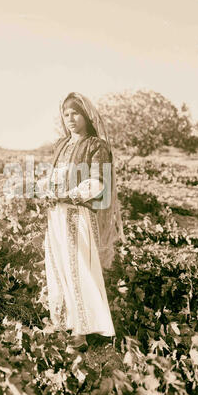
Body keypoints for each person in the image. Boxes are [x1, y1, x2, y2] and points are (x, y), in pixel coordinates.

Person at [36, 92, 125, 349]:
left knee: (79, 269)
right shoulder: (61, 145)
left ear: (86, 115)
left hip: (78, 215)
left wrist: (68, 195)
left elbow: (97, 183)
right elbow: (53, 177)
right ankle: (63, 322)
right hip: (56, 215)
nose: (70, 118)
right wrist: (42, 190)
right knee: (58, 266)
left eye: (75, 113)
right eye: (66, 114)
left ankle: (82, 333)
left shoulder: (96, 146)